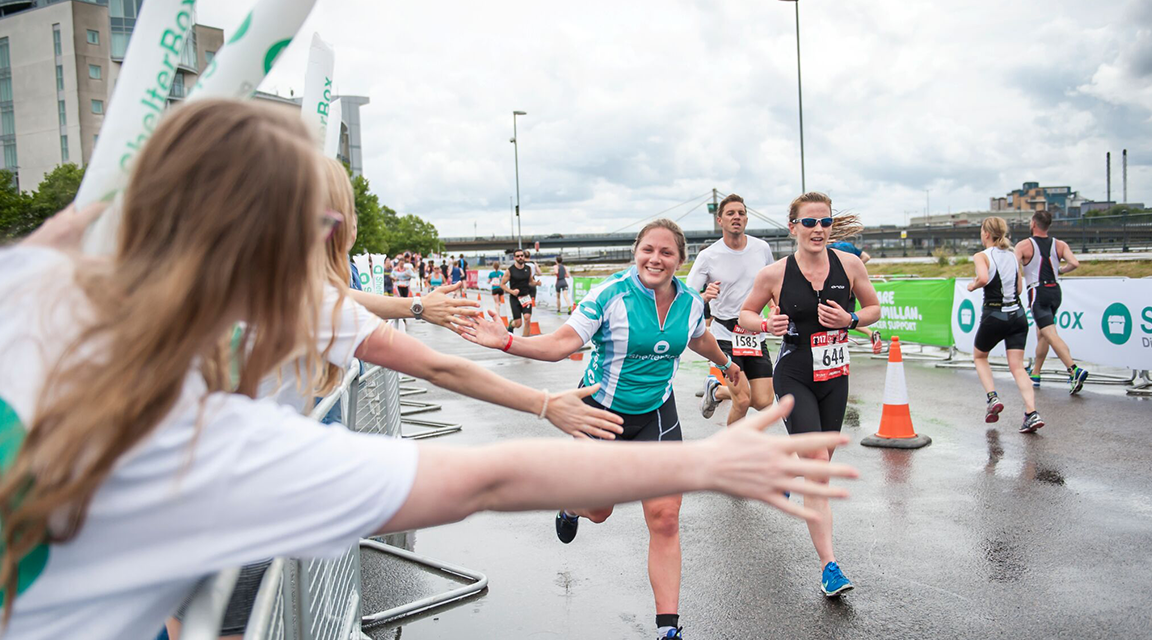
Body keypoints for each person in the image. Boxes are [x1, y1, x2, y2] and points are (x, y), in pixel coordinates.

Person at [0, 100, 857, 640]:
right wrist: (705, 463)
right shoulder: (217, 447)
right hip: (607, 419)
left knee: (650, 516)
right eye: (327, 232)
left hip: (644, 417)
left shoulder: (27, 283)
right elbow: (481, 478)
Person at [460, 219, 754, 640]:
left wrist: (727, 365)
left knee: (666, 517)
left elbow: (699, 338)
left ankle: (668, 628)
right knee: (599, 511)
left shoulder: (690, 302)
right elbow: (561, 344)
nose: (656, 258)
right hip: (599, 412)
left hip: (656, 414)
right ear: (636, 251)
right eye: (648, 249)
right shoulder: (609, 294)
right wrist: (506, 342)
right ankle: (570, 504)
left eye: (666, 252)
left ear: (680, 260)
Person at [739, 192, 880, 598]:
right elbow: (745, 314)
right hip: (795, 372)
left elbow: (873, 310)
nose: (818, 230)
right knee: (818, 469)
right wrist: (766, 325)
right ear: (793, 228)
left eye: (825, 222)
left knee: (819, 464)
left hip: (836, 375)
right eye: (809, 223)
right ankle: (829, 566)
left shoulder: (849, 265)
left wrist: (850, 319)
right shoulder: (775, 274)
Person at [687, 193, 777, 426]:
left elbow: (771, 285)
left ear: (746, 219)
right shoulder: (708, 256)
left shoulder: (762, 248)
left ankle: (715, 391)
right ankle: (733, 454)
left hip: (754, 335)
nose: (736, 217)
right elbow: (686, 297)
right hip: (725, 334)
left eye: (741, 213)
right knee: (743, 399)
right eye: (730, 213)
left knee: (763, 401)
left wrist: (775, 306)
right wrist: (705, 296)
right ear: (720, 221)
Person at [969, 217, 1044, 433]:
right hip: (1018, 315)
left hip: (994, 314)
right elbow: (1019, 288)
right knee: (1018, 367)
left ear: (985, 233)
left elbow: (983, 278)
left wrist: (973, 285)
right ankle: (1032, 413)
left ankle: (992, 398)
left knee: (980, 356)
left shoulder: (981, 256)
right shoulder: (1013, 256)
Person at [1014, 210, 1088, 393]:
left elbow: (1014, 268)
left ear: (1033, 224)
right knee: (1043, 334)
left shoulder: (1024, 245)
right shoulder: (1060, 244)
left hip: (1037, 292)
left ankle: (1073, 369)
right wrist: (1060, 270)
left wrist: (1015, 289)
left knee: (1049, 334)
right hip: (1055, 291)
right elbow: (1075, 264)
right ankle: (1036, 374)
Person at [827, 239, 883, 355]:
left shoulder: (828, 248)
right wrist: (854, 270)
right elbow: (866, 257)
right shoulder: (848, 246)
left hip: (833, 285)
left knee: (838, 317)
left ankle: (868, 333)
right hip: (851, 284)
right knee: (847, 316)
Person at [501, 249, 536, 336]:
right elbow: (502, 284)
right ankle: (511, 325)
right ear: (514, 258)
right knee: (518, 323)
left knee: (527, 318)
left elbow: (530, 281)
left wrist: (536, 283)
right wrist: (511, 291)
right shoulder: (510, 270)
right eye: (518, 256)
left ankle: (525, 341)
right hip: (515, 298)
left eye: (521, 255)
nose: (520, 257)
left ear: (524, 256)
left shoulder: (528, 269)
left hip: (526, 296)